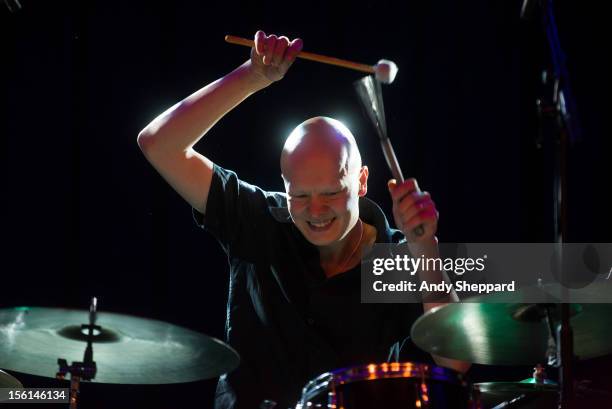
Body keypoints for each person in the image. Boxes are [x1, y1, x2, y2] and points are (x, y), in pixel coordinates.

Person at [138, 30, 469, 409]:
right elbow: (158, 143)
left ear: (361, 182)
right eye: (300, 196)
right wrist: (251, 76)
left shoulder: (395, 258)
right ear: (284, 187)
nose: (314, 211)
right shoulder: (257, 219)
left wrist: (425, 248)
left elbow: (455, 361)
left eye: (330, 193)